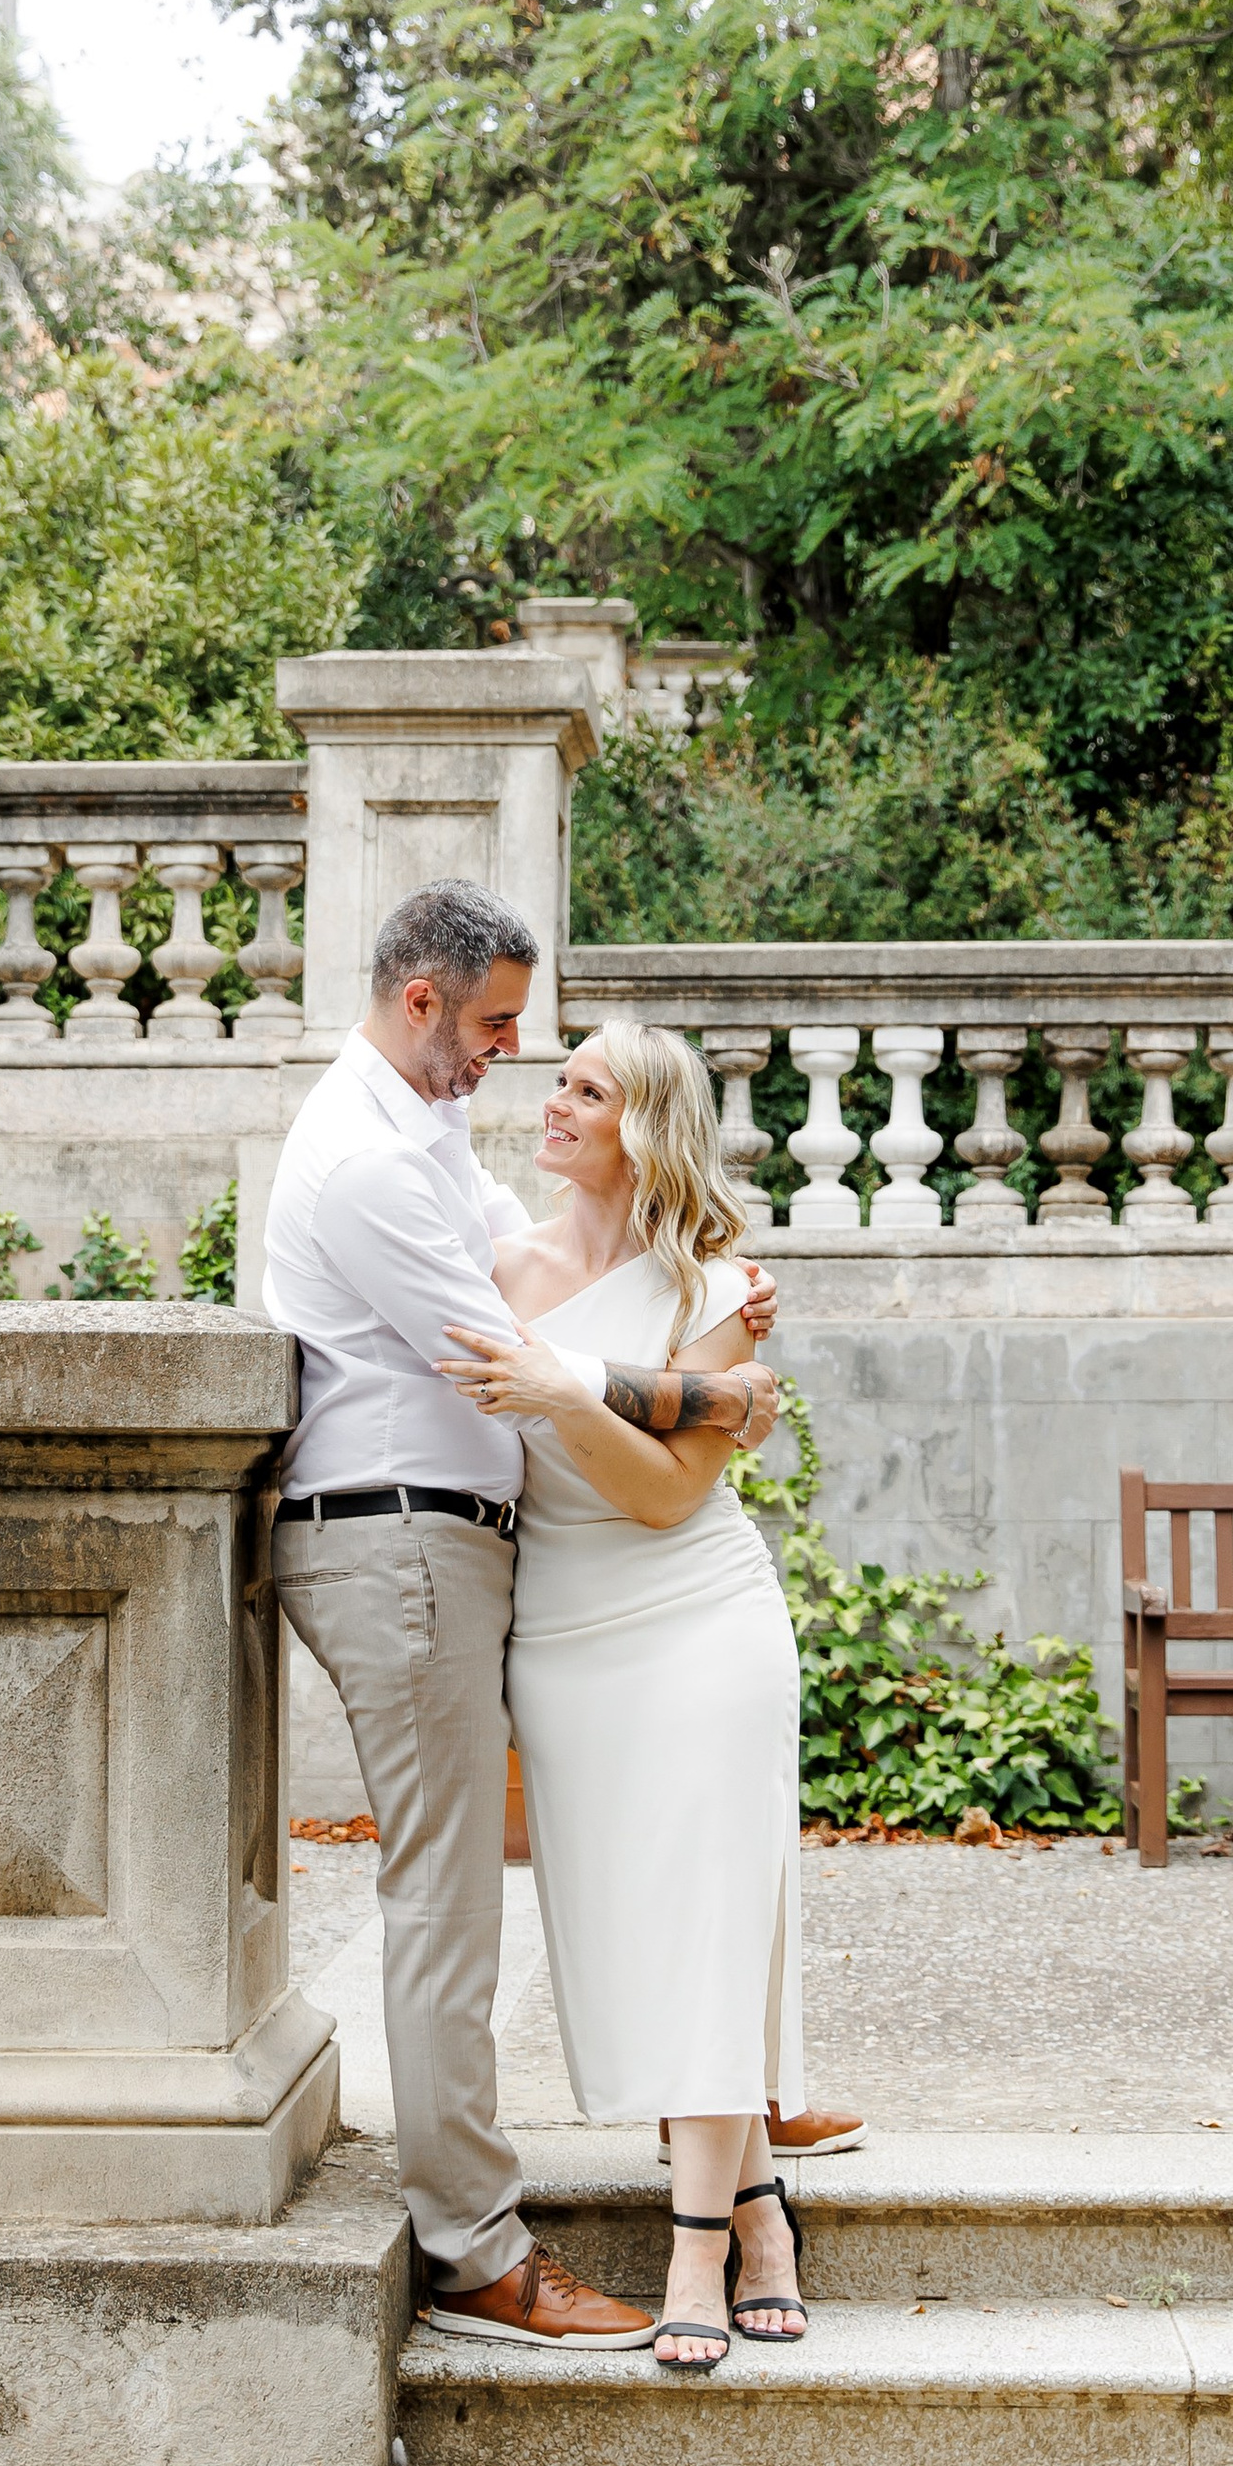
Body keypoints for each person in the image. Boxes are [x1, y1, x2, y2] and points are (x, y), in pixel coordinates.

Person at [264, 878, 786, 2350]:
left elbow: (573, 1288)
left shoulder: (420, 1131)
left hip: (460, 1545)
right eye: (494, 1025)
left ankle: (741, 2136)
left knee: (492, 1889)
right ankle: (476, 2251)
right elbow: (521, 1364)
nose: (507, 1055)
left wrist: (713, 1326)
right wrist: (713, 1393)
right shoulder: (364, 1161)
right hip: (399, 1539)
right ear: (420, 1001)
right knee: (444, 1903)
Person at [437, 1020, 810, 2375]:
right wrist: (580, 1379)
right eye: (559, 1080)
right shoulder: (495, 1266)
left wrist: (559, 1383)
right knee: (643, 1934)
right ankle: (760, 2194)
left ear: (643, 1125)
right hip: (568, 1639)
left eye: (586, 1089)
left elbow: (666, 1493)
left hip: (701, 1619)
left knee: (713, 1919)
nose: (555, 1103)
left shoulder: (715, 1284)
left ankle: (701, 2243)